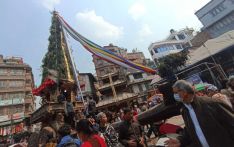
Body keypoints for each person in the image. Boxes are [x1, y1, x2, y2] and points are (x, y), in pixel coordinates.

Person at [165, 80, 234, 147]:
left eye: (176, 92)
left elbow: (231, 124)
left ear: (185, 91)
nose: (175, 95)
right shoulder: (185, 111)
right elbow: (191, 130)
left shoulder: (212, 104)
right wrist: (180, 140)